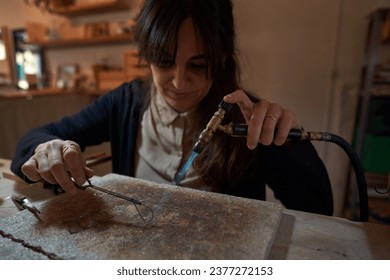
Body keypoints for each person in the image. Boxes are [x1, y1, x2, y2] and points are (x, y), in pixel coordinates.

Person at [11, 0, 333, 215]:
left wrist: (287, 144)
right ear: (147, 55)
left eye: (197, 64)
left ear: (221, 59)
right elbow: (30, 144)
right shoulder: (124, 103)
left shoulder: (245, 119)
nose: (179, 82)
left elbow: (319, 208)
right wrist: (47, 150)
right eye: (165, 61)